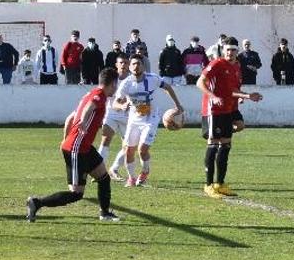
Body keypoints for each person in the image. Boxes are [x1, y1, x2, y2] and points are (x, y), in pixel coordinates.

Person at [25, 67, 121, 224]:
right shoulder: (98, 96)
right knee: (76, 193)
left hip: (83, 147)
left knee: (104, 178)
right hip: (76, 149)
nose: (116, 88)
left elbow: (70, 118)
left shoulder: (90, 94)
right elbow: (90, 107)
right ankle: (36, 203)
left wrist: (65, 139)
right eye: (115, 85)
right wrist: (83, 120)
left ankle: (105, 213)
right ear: (112, 83)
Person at [198, 37, 263, 198]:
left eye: (233, 49)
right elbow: (200, 82)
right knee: (213, 144)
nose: (230, 52)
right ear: (223, 49)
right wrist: (212, 96)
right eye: (228, 49)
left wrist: (246, 96)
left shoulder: (236, 66)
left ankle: (220, 184)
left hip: (227, 109)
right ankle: (208, 185)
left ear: (237, 51)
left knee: (226, 145)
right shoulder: (216, 64)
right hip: (213, 110)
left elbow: (231, 89)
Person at [111, 54, 185, 187]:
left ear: (143, 66)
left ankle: (145, 171)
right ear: (129, 66)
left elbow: (167, 87)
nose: (136, 66)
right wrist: (121, 106)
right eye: (133, 64)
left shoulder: (153, 79)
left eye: (138, 63)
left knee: (142, 149)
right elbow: (115, 104)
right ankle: (132, 178)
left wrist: (177, 105)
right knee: (129, 150)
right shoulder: (126, 83)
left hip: (151, 118)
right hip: (134, 119)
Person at [96, 55, 129, 162]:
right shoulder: (111, 79)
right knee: (105, 140)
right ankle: (98, 169)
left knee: (128, 146)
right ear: (116, 65)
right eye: (121, 63)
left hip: (127, 116)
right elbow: (105, 94)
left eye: (125, 63)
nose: (123, 65)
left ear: (128, 65)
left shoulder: (132, 80)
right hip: (111, 113)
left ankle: (114, 169)